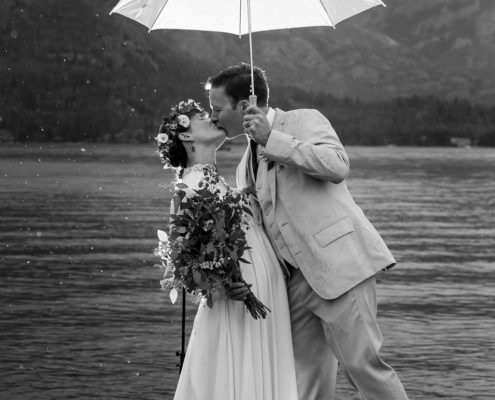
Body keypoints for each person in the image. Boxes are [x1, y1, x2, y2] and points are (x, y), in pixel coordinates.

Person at [207, 64, 410, 400]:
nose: (212, 117)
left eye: (217, 109)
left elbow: (336, 165)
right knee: (304, 383)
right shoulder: (244, 164)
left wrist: (271, 139)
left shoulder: (303, 120)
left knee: (363, 368)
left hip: (341, 269)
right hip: (294, 285)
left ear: (245, 106)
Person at [156, 99, 299, 400]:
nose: (210, 117)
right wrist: (222, 281)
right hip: (235, 305)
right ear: (185, 135)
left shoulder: (226, 181)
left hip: (266, 294)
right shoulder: (187, 190)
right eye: (199, 117)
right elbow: (182, 267)